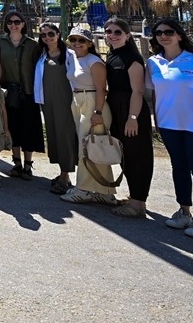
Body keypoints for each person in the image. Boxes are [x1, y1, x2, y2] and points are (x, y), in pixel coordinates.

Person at [147, 16, 193, 239]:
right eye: (158, 33)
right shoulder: (153, 63)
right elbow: (155, 92)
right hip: (169, 125)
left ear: (179, 35)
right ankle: (184, 212)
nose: (163, 36)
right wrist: (157, 120)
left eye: (168, 32)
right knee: (178, 167)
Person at [102, 16, 153, 218]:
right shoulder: (112, 55)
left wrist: (132, 117)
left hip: (131, 109)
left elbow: (137, 91)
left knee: (137, 156)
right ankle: (135, 199)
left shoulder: (133, 58)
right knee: (125, 155)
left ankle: (138, 203)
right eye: (109, 32)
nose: (112, 35)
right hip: (115, 107)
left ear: (127, 35)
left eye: (117, 32)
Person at [61, 27, 118, 205]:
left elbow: (102, 89)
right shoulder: (74, 58)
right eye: (74, 40)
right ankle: (105, 191)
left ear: (89, 43)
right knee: (94, 148)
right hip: (78, 101)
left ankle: (83, 189)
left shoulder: (94, 62)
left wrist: (98, 112)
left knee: (85, 148)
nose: (77, 43)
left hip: (93, 102)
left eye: (82, 40)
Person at [0, 12, 43, 180]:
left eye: (17, 22)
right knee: (12, 127)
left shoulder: (32, 44)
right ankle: (17, 163)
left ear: (23, 24)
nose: (13, 25)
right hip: (9, 90)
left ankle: (28, 164)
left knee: (28, 127)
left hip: (28, 91)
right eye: (10, 22)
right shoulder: (0, 42)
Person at [32, 22, 79, 195]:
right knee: (53, 136)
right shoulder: (42, 54)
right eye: (43, 35)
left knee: (65, 136)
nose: (47, 38)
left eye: (50, 34)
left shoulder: (69, 55)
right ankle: (61, 172)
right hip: (47, 102)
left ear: (58, 34)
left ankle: (65, 176)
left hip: (64, 101)